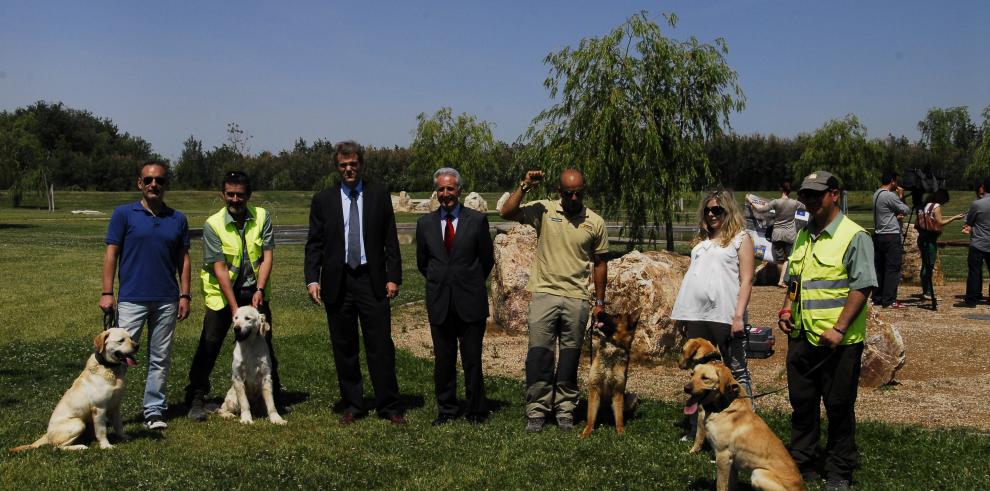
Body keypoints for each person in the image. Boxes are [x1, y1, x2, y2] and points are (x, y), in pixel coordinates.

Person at [778, 171, 876, 491]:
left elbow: (862, 286)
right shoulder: (804, 235)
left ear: (834, 194)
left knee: (838, 408)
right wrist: (786, 308)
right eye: (805, 194)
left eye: (816, 195)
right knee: (802, 405)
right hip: (802, 337)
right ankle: (802, 463)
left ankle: (839, 471)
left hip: (838, 343)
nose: (808, 200)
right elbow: (795, 279)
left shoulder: (854, 235)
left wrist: (840, 328)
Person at [500, 169, 609, 433]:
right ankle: (537, 410)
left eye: (579, 193)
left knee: (570, 358)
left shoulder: (595, 222)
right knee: (539, 354)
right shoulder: (545, 211)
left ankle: (565, 409)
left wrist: (600, 302)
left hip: (577, 298)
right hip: (544, 294)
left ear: (584, 191)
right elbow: (506, 212)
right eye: (569, 193)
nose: (574, 198)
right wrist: (525, 185)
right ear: (559, 192)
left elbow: (600, 263)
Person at [304, 140, 405, 425]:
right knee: (344, 347)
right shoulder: (323, 200)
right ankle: (353, 405)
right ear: (337, 168)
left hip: (371, 280)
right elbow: (314, 244)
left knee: (381, 346)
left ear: (361, 164)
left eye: (353, 164)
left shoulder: (378, 194)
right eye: (343, 165)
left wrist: (393, 277)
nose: (349, 169)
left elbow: (390, 239)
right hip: (338, 282)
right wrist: (312, 279)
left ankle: (389, 406)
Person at [185, 171, 285, 420]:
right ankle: (196, 397)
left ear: (248, 195)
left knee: (264, 342)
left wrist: (260, 290)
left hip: (254, 291)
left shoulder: (262, 217)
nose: (235, 199)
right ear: (223, 194)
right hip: (223, 293)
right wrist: (234, 310)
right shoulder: (213, 224)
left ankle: (272, 400)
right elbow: (219, 268)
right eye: (230, 194)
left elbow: (267, 256)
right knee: (210, 344)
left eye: (240, 195)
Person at [99, 161, 191, 431]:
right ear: (139, 183)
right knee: (117, 356)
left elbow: (184, 259)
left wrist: (185, 295)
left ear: (165, 184)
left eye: (159, 181)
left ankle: (153, 410)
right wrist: (107, 292)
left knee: (159, 357)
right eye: (149, 180)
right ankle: (105, 411)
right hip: (131, 299)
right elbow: (111, 254)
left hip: (166, 299)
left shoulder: (178, 219)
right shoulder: (123, 214)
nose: (154, 185)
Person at [671, 189, 756, 440]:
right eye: (707, 210)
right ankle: (697, 427)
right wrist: (682, 313)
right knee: (699, 372)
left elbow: (747, 280)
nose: (711, 214)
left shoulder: (741, 239)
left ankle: (745, 425)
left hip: (726, 315)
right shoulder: (701, 243)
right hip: (696, 314)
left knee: (736, 370)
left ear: (728, 211)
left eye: (717, 210)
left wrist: (739, 315)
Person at [415, 167, 495, 426]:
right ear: (436, 192)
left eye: (450, 189)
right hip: (440, 301)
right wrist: (443, 281)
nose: (445, 194)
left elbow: (486, 260)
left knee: (472, 359)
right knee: (443, 360)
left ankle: (475, 409)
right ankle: (447, 409)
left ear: (459, 190)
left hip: (470, 300)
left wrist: (467, 280)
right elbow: (423, 263)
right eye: (441, 189)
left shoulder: (477, 220)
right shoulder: (425, 224)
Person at [747, 181, 805, 287]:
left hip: (777, 234)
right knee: (788, 258)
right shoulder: (795, 203)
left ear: (781, 190)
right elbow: (806, 208)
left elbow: (760, 210)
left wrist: (751, 201)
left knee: (779, 260)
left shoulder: (776, 202)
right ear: (789, 191)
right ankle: (782, 280)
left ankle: (780, 280)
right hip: (790, 234)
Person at [915, 189, 963, 301]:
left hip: (921, 237)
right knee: (929, 265)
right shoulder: (935, 206)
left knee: (925, 264)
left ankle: (925, 290)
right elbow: (940, 222)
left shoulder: (925, 205)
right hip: (930, 239)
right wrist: (954, 218)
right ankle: (927, 291)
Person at [872, 171, 909, 308]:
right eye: (896, 182)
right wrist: (901, 196)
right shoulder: (890, 195)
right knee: (893, 267)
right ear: (892, 181)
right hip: (891, 235)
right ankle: (890, 299)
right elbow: (905, 210)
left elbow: (886, 212)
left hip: (879, 234)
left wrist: (894, 215)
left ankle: (878, 296)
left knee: (880, 268)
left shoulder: (877, 194)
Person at [960, 178, 990, 307]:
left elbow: (969, 221)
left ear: (983, 187)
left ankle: (972, 299)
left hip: (978, 242)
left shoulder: (977, 204)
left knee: (974, 271)